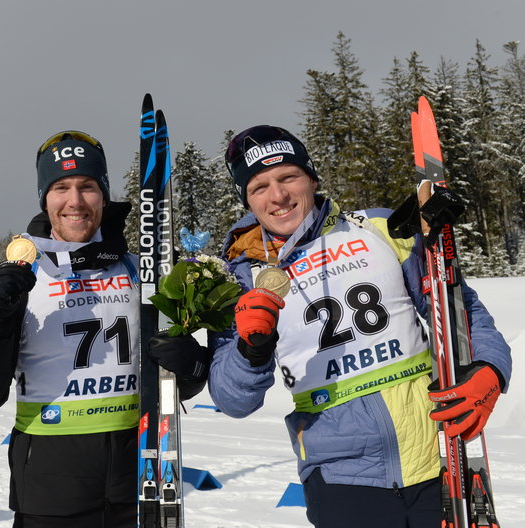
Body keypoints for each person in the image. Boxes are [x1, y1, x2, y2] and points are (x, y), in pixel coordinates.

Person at [208, 125, 512, 526]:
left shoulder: (379, 230)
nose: (278, 195)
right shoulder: (238, 279)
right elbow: (233, 400)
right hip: (341, 478)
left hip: (438, 452)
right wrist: (252, 348)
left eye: (288, 177)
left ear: (311, 178)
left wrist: (490, 368)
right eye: (259, 186)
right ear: (246, 199)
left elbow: (458, 305)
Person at [0, 130, 206, 527]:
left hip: (139, 486)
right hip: (49, 493)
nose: (75, 201)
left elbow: (175, 384)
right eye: (61, 187)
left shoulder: (141, 271)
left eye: (87, 186)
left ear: (103, 195)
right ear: (44, 198)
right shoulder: (22, 277)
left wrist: (191, 365)